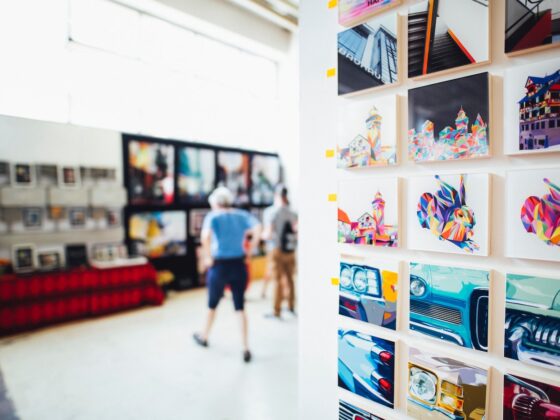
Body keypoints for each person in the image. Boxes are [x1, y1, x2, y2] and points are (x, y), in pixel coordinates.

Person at [193, 186, 260, 363]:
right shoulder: (241, 215)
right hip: (239, 264)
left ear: (215, 203)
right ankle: (245, 347)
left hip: (219, 265)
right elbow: (258, 228)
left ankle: (204, 336)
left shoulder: (213, 216)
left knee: (212, 304)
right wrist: (250, 251)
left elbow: (205, 237)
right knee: (240, 306)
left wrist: (208, 257)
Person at [263, 185, 297, 318]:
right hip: (290, 250)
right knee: (290, 279)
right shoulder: (293, 213)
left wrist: (263, 236)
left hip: (276, 250)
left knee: (277, 280)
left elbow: (268, 233)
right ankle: (291, 307)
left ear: (276, 196)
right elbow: (296, 231)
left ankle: (276, 311)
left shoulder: (270, 212)